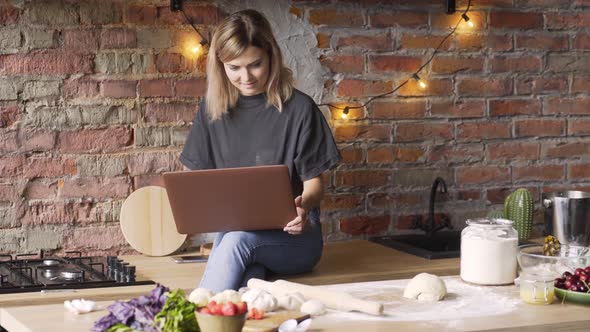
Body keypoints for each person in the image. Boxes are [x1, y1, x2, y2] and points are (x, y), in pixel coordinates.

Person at [179, 9, 341, 293]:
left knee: (236, 242)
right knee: (247, 281)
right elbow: (194, 183)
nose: (246, 77)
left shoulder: (300, 109)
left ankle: (191, 319)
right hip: (236, 235)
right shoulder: (211, 110)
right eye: (234, 68)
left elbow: (315, 186)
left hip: (295, 237)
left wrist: (302, 207)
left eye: (255, 65)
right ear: (220, 66)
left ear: (271, 56)